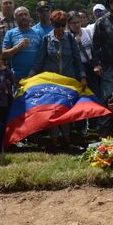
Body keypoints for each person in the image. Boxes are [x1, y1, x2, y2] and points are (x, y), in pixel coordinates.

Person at [29, 10, 86, 147]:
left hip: (68, 81)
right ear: (52, 24)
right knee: (53, 109)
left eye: (62, 25)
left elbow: (77, 60)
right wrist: (30, 77)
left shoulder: (70, 38)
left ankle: (67, 138)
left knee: (66, 109)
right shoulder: (46, 39)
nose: (60, 28)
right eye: (57, 25)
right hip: (52, 82)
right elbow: (39, 61)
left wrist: (82, 76)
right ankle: (54, 139)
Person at [2, 6, 42, 82]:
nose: (23, 17)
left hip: (36, 77)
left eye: (25, 14)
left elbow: (41, 57)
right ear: (15, 18)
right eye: (20, 15)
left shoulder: (39, 32)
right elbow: (4, 55)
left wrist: (31, 75)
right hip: (17, 78)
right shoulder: (10, 33)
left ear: (29, 16)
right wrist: (18, 47)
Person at [67, 10, 97, 95]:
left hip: (91, 65)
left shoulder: (86, 31)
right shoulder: (68, 36)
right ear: (69, 24)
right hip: (78, 68)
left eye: (78, 22)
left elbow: (93, 49)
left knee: (95, 91)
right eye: (73, 23)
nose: (77, 25)